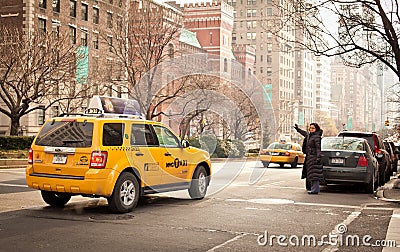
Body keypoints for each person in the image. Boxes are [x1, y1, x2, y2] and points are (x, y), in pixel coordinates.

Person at [294, 123, 323, 194]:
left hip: (314, 157)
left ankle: (315, 190)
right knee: (311, 174)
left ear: (316, 129)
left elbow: (318, 148)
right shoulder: (309, 136)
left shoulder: (317, 137)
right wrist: (298, 129)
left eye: (313, 128)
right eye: (310, 128)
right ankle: (313, 189)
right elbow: (304, 133)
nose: (311, 129)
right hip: (309, 157)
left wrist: (318, 157)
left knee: (314, 174)